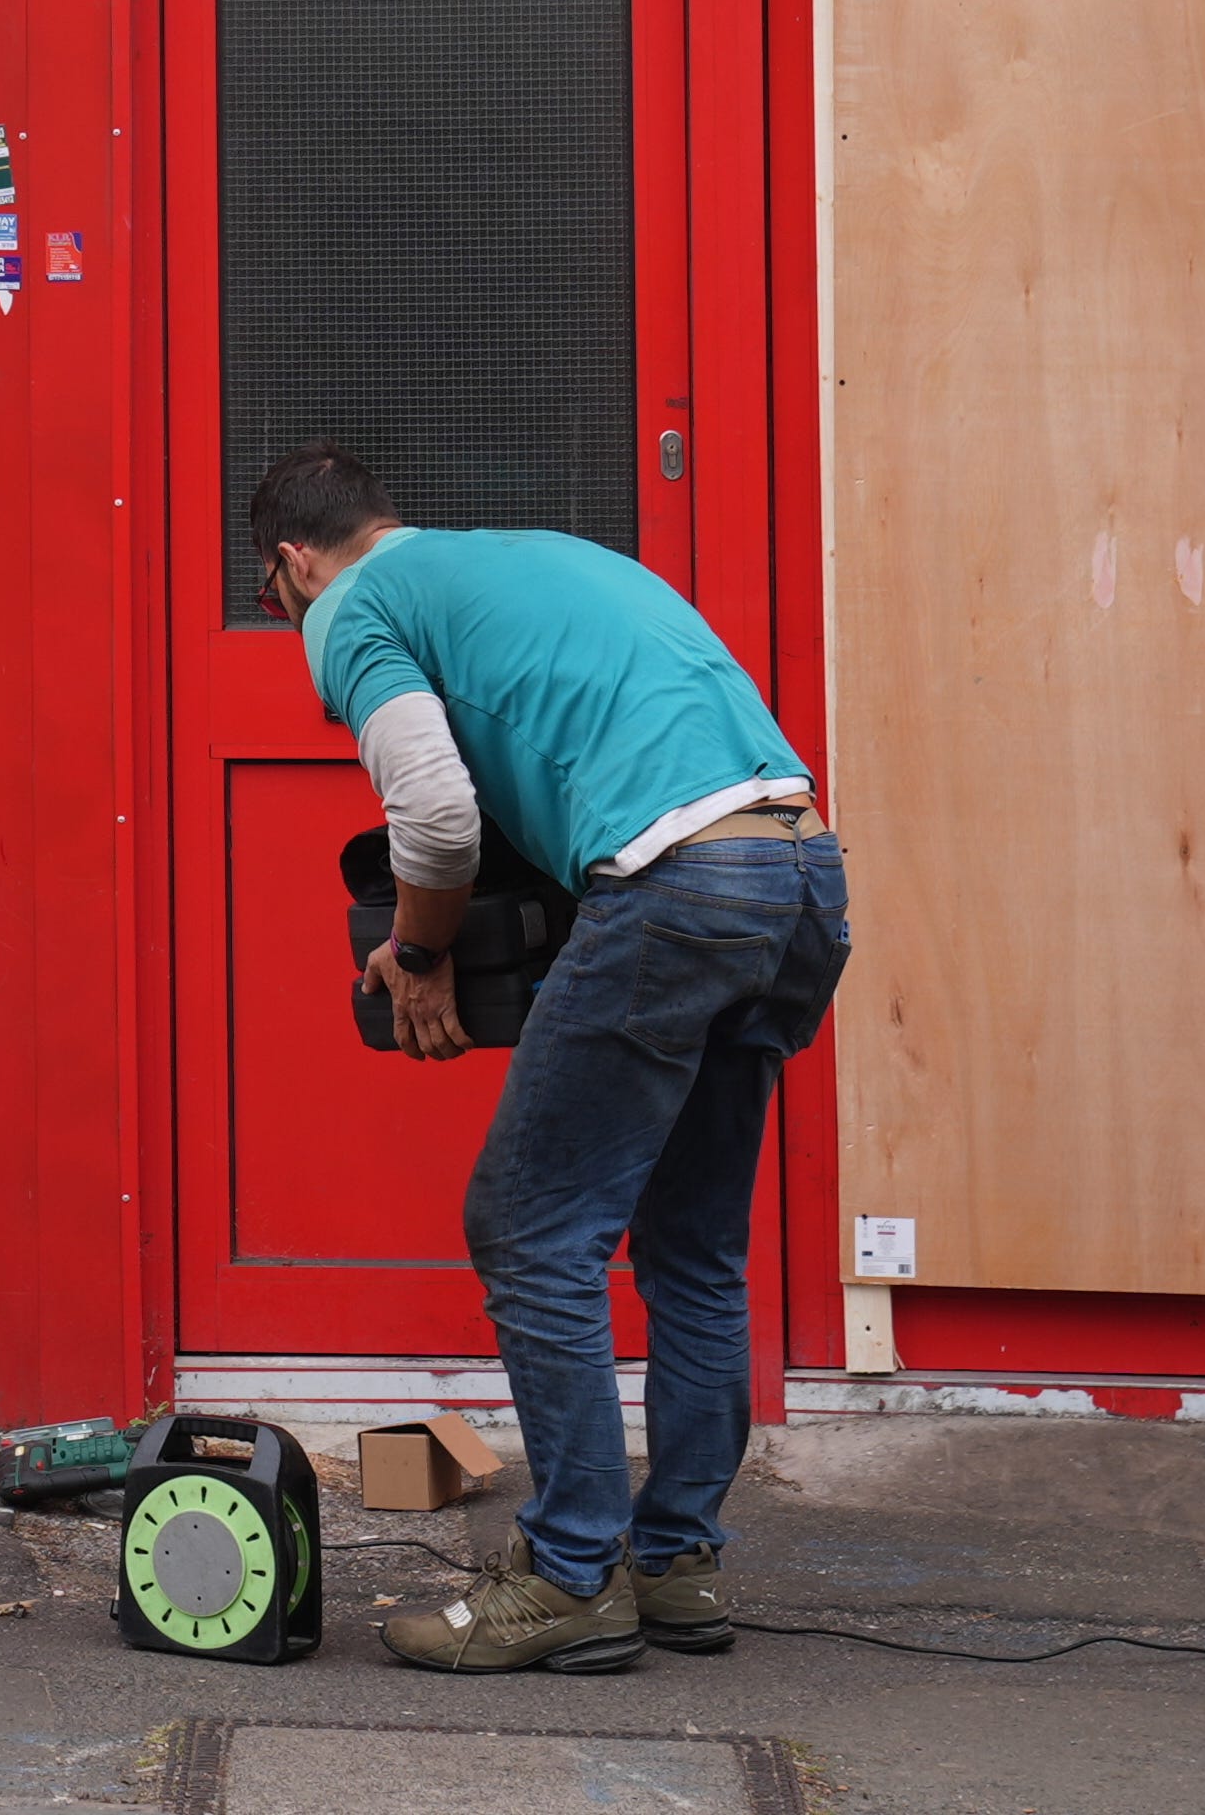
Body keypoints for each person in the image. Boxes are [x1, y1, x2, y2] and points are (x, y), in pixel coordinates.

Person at [250, 444, 847, 1677]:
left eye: (275, 598)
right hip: (796, 871)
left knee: (530, 1231)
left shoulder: (353, 605)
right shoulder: (544, 558)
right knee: (691, 1245)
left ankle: (575, 1573)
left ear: (294, 563)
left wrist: (418, 954)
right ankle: (676, 1562)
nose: (288, 621)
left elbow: (433, 810)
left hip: (678, 884)